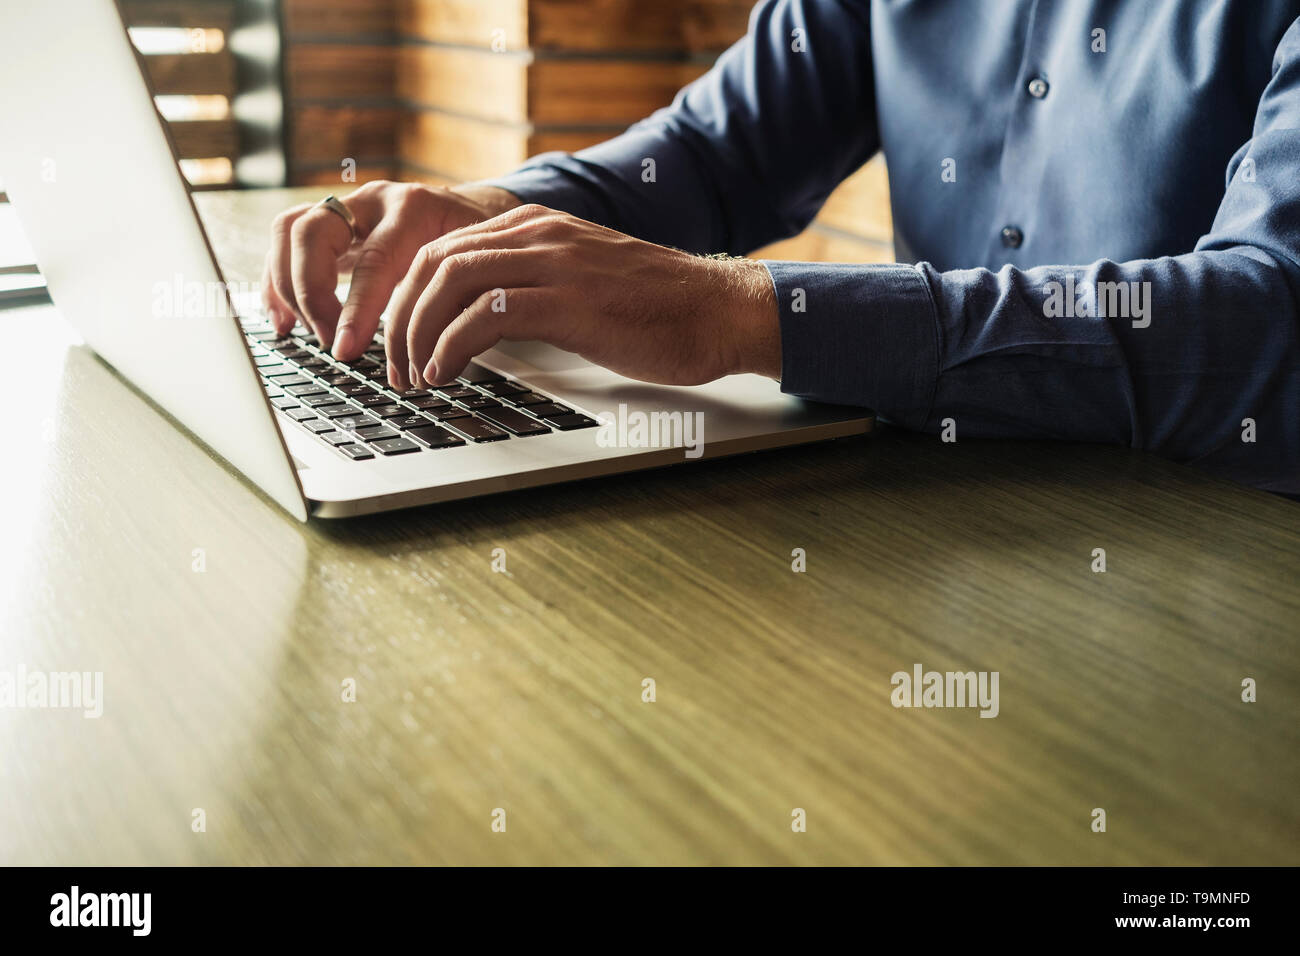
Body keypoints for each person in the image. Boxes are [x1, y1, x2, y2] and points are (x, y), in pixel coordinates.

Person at [262, 0, 1300, 494]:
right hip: (938, 518)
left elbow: (1264, 313)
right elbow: (716, 154)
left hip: (1223, 553)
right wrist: (488, 213)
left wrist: (744, 313)